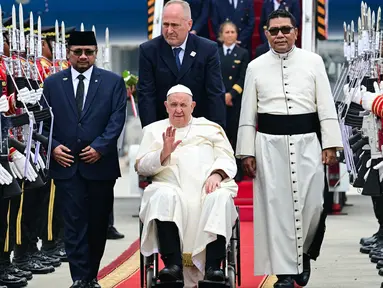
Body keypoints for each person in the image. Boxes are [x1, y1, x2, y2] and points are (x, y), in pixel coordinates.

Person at [235, 9, 343, 288]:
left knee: (315, 205)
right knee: (277, 209)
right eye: (274, 30)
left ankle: (304, 254)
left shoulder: (313, 61)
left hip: (308, 141)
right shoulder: (255, 67)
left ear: (296, 31)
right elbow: (247, 112)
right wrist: (247, 152)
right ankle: (284, 272)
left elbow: (326, 104)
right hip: (269, 145)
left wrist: (330, 143)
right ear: (267, 34)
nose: (280, 35)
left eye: (285, 29)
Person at [42, 30, 127, 288]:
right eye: (77, 51)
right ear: (68, 53)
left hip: (100, 165)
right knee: (73, 224)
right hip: (67, 165)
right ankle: (80, 278)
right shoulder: (53, 83)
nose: (83, 56)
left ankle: (91, 275)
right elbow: (44, 122)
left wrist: (100, 147)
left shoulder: (112, 82)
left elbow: (117, 119)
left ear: (96, 54)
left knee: (98, 223)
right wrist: (54, 147)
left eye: (88, 52)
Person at [137, 84, 238, 287]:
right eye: (173, 104)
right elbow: (142, 167)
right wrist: (163, 153)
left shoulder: (210, 128)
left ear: (193, 105)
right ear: (166, 106)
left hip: (207, 187)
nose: (178, 109)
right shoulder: (153, 130)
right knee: (163, 196)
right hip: (169, 186)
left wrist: (217, 175)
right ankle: (173, 266)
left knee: (219, 197)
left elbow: (227, 158)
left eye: (183, 104)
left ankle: (213, 267)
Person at [137, 0, 226, 129]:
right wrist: (150, 131)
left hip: (199, 128)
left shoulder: (207, 50)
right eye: (165, 24)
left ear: (189, 24)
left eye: (175, 25)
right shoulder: (149, 51)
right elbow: (146, 95)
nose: (169, 30)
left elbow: (215, 94)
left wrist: (217, 130)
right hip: (162, 128)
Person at [218, 21, 249, 180]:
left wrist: (231, 95)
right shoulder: (214, 52)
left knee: (236, 136)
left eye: (233, 32)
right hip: (218, 100)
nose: (230, 35)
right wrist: (222, 95)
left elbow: (244, 77)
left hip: (235, 101)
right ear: (221, 35)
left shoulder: (243, 53)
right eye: (227, 32)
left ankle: (236, 171)